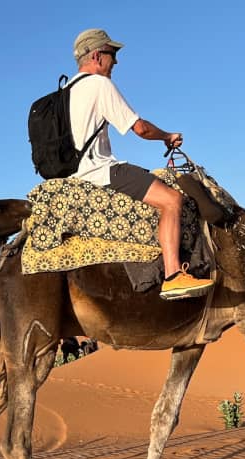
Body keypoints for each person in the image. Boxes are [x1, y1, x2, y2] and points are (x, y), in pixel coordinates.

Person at [67, 28, 215, 301]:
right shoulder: (99, 85)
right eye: (112, 55)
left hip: (73, 175)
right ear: (97, 55)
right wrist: (167, 136)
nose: (116, 63)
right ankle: (172, 275)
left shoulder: (66, 90)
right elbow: (140, 128)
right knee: (171, 200)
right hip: (100, 171)